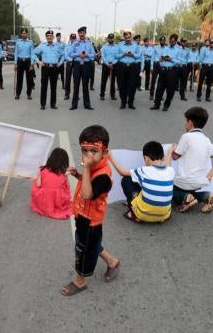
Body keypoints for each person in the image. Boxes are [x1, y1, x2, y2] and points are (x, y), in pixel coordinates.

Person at [61, 125, 120, 296]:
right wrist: (78, 175)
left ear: (105, 151)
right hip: (83, 216)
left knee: (83, 250)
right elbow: (89, 184)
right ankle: (112, 262)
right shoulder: (94, 169)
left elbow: (88, 194)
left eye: (93, 151)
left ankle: (80, 281)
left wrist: (85, 169)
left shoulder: (103, 176)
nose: (88, 156)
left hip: (91, 220)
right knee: (91, 244)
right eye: (85, 151)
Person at [172, 107, 213, 213]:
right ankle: (206, 196)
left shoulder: (186, 136)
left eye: (185, 121)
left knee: (169, 190)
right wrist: (209, 176)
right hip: (200, 181)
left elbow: (175, 156)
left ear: (190, 122)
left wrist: (173, 149)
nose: (184, 124)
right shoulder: (206, 139)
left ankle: (187, 198)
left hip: (184, 181)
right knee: (189, 189)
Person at [109, 141, 175, 224]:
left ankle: (133, 214)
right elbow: (168, 165)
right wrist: (170, 152)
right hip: (164, 215)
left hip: (143, 215)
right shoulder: (170, 171)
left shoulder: (144, 170)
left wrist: (110, 157)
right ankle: (159, 216)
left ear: (146, 158)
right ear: (163, 158)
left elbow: (122, 172)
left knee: (127, 180)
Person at [30, 148, 71, 219]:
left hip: (42, 200)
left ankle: (42, 204)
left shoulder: (42, 170)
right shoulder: (63, 173)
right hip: (57, 201)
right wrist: (66, 176)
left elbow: (38, 184)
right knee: (64, 187)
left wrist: (38, 176)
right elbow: (68, 187)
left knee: (36, 182)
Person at [33, 30, 64, 110]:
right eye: (48, 36)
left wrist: (60, 63)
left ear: (53, 37)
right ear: (46, 37)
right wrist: (39, 62)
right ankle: (43, 104)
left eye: (51, 35)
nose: (49, 37)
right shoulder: (42, 46)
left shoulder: (57, 46)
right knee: (44, 86)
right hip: (45, 68)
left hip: (54, 68)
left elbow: (63, 55)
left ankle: (53, 104)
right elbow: (33, 53)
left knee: (53, 87)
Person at [150, 34, 180, 112]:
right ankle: (156, 104)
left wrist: (171, 59)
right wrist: (161, 59)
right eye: (170, 41)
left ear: (176, 41)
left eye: (173, 41)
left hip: (172, 71)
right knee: (159, 88)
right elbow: (160, 57)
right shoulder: (165, 48)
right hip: (163, 70)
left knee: (170, 90)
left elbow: (180, 62)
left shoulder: (178, 50)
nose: (171, 42)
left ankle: (166, 105)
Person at [69, 26, 95, 110]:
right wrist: (78, 54)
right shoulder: (75, 43)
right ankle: (74, 104)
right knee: (76, 85)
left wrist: (87, 55)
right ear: (78, 34)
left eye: (83, 33)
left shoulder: (89, 43)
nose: (82, 34)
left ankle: (87, 104)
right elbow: (71, 54)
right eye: (80, 33)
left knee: (85, 85)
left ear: (85, 34)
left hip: (86, 65)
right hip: (77, 64)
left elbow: (93, 55)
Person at [116, 31, 141, 109]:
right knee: (122, 85)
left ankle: (131, 102)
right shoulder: (120, 45)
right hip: (122, 67)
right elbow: (116, 56)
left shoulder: (135, 45)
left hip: (132, 67)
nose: (128, 39)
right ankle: (123, 102)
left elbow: (139, 56)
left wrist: (133, 54)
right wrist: (124, 54)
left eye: (129, 37)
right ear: (124, 38)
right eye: (126, 38)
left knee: (132, 85)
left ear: (131, 37)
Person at [14, 28, 34, 100]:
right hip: (20, 62)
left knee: (29, 79)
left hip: (28, 62)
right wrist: (15, 63)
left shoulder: (30, 42)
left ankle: (29, 94)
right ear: (21, 34)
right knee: (19, 79)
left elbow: (32, 54)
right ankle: (17, 94)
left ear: (27, 34)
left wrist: (32, 64)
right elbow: (16, 53)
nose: (24, 34)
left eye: (25, 33)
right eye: (22, 33)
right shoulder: (18, 42)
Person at [100, 33, 118, 100]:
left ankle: (112, 95)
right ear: (108, 39)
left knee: (112, 81)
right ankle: (102, 94)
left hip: (113, 65)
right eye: (110, 38)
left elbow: (117, 57)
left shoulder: (116, 47)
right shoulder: (104, 46)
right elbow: (103, 56)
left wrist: (112, 63)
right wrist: (108, 64)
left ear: (113, 39)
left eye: (112, 38)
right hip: (106, 65)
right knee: (103, 80)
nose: (111, 39)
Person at [149, 36, 166, 100]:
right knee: (153, 80)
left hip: (162, 65)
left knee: (161, 81)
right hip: (156, 65)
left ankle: (160, 95)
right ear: (159, 41)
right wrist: (151, 66)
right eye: (161, 41)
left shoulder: (166, 48)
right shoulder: (155, 47)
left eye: (163, 41)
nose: (162, 42)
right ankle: (151, 94)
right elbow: (152, 57)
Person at [64, 33, 76, 100]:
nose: (73, 40)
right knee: (68, 79)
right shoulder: (67, 46)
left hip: (76, 64)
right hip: (69, 64)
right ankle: (67, 94)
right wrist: (72, 60)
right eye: (72, 38)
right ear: (70, 39)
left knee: (76, 80)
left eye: (74, 38)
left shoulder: (77, 46)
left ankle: (75, 94)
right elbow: (66, 56)